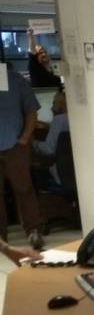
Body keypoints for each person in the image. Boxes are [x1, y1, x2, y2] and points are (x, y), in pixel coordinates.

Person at [0, 62, 44, 249]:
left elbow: (31, 111)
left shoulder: (16, 80)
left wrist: (24, 138)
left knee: (23, 188)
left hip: (15, 144)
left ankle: (33, 230)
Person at [32, 88, 69, 186]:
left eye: (54, 104)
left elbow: (49, 150)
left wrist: (33, 142)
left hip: (61, 174)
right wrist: (48, 127)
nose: (51, 108)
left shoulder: (59, 119)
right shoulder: (72, 118)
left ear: (62, 105)